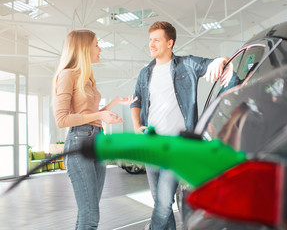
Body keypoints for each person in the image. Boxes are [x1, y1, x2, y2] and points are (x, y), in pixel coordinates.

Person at [130, 21, 233, 230]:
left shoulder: (187, 65)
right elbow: (136, 101)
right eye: (150, 40)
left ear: (170, 43)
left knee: (163, 203)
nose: (151, 44)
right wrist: (136, 125)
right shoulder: (144, 73)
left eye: (156, 40)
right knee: (160, 202)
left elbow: (216, 62)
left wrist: (222, 60)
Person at [53, 29, 135, 230]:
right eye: (96, 44)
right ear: (84, 48)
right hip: (79, 143)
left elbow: (89, 113)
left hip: (97, 140)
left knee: (90, 210)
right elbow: (62, 119)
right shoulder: (66, 75)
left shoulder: (88, 78)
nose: (100, 49)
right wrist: (99, 115)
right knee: (90, 214)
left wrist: (112, 105)